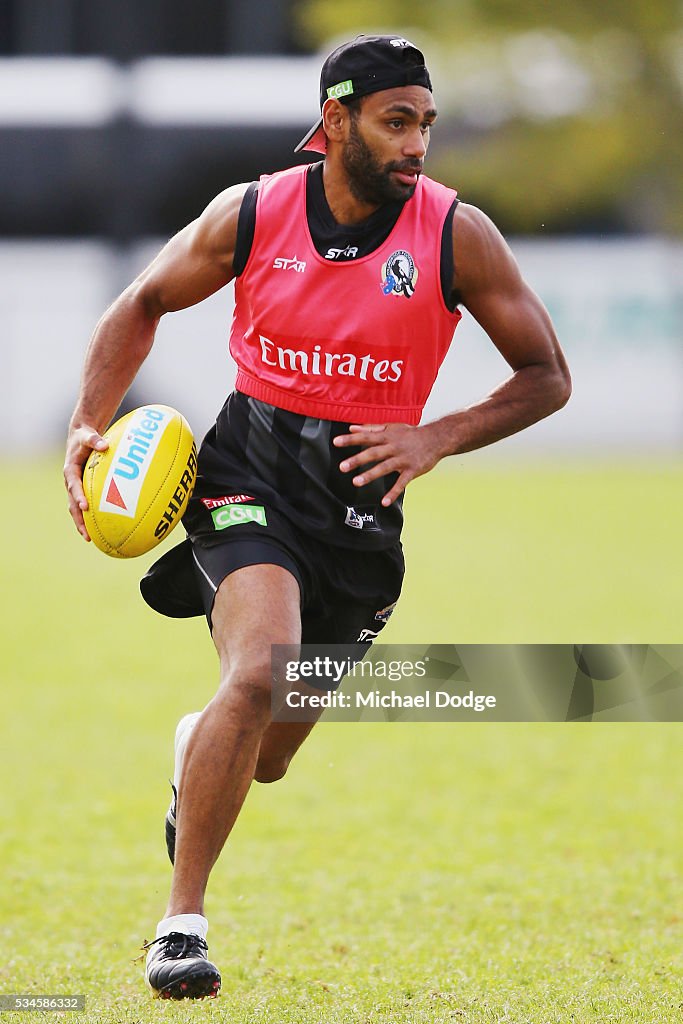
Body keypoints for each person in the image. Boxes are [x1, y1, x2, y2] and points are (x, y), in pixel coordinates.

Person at [63, 34, 571, 1000]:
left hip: (363, 513)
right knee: (258, 670)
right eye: (395, 122)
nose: (416, 144)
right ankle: (180, 925)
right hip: (246, 472)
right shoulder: (253, 213)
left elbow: (546, 376)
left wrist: (435, 437)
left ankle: (198, 747)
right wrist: (89, 422)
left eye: (424, 122)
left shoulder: (458, 233)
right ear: (335, 121)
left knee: (270, 753)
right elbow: (142, 302)